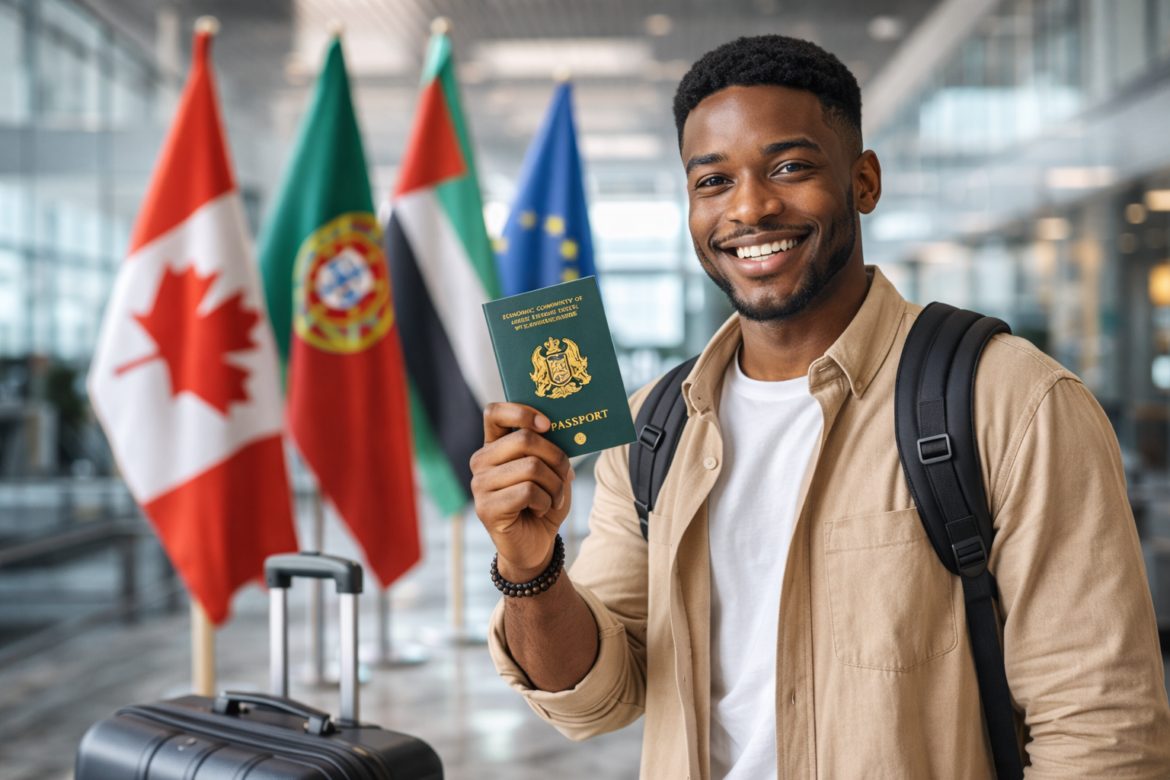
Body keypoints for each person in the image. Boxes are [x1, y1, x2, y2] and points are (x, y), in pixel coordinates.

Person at [470, 34, 1170, 779]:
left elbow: (1101, 729)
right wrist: (530, 565)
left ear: (863, 182)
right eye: (712, 182)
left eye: (790, 168)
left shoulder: (1011, 402)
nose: (749, 207)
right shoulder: (652, 427)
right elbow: (599, 698)